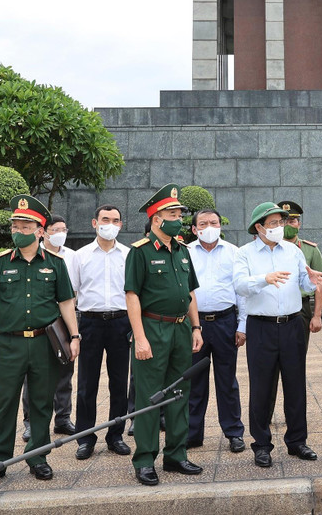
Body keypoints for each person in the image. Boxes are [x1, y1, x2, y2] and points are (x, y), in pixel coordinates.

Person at [0, 195, 79, 485]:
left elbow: (66, 302)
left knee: (41, 402)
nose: (18, 231)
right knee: (4, 402)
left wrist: (75, 336)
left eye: (25, 226)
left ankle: (38, 457)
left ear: (40, 231)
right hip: (10, 344)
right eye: (15, 225)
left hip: (43, 344)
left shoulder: (55, 263)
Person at [234, 202, 322, 468]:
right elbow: (239, 285)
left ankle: (297, 442)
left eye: (281, 223)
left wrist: (312, 280)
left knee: (296, 385)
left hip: (292, 324)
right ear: (259, 227)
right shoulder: (244, 254)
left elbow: (303, 283)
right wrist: (265, 278)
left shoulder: (293, 251)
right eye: (273, 223)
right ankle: (261, 445)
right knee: (262, 388)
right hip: (261, 326)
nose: (278, 228)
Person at [124, 184, 203, 486]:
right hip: (153, 328)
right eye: (172, 213)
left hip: (182, 328)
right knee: (149, 396)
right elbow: (132, 296)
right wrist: (140, 337)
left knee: (179, 393)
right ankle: (145, 459)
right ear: (156, 218)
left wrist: (196, 327)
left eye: (180, 213)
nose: (178, 219)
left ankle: (176, 455)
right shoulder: (140, 251)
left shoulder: (182, 250)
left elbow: (191, 292)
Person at [70, 204, 132, 460]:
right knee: (87, 383)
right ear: (94, 223)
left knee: (119, 383)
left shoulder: (129, 255)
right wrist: (73, 332)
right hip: (90, 323)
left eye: (115, 220)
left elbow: (134, 294)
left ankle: (115, 435)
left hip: (121, 322)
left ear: (121, 224)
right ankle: (85, 437)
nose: (110, 224)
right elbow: (70, 294)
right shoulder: (80, 256)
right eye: (105, 219)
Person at [186, 209, 247, 453]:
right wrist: (192, 326)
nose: (209, 226)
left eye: (214, 222)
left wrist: (242, 325)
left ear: (220, 225)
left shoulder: (234, 252)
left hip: (225, 322)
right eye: (203, 223)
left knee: (227, 381)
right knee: (194, 382)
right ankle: (192, 434)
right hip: (195, 325)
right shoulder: (185, 252)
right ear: (194, 229)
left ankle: (233, 432)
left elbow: (241, 291)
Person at [20, 214, 76, 442]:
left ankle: (63, 418)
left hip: (65, 320)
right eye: (56, 229)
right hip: (39, 323)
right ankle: (31, 423)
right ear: (44, 231)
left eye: (64, 229)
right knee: (31, 375)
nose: (60, 233)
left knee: (65, 371)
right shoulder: (34, 254)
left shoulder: (72, 257)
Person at [277, 201, 322, 351]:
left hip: (301, 307)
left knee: (297, 354)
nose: (287, 225)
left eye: (292, 221)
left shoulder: (310, 250)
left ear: (299, 224)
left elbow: (320, 283)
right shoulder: (268, 249)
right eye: (283, 222)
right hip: (274, 304)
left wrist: (317, 315)